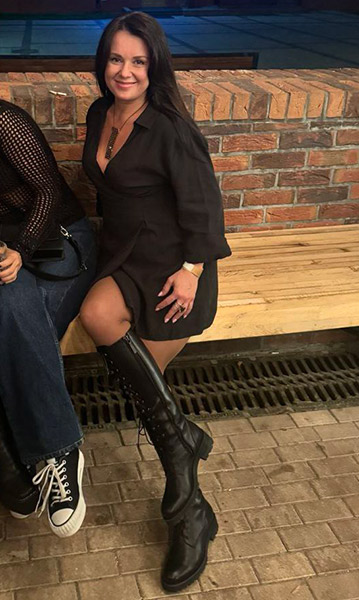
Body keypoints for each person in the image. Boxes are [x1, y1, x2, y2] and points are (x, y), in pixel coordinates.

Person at [79, 10, 231, 592]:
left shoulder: (170, 127)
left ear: (154, 66)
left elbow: (206, 205)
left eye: (138, 61)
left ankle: (189, 510)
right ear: (104, 62)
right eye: (117, 59)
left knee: (150, 392)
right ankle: (187, 467)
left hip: (174, 267)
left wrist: (192, 271)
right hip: (123, 255)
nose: (126, 71)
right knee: (98, 317)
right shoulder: (99, 114)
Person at [0, 99, 97, 537]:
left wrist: (20, 249)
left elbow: (48, 192)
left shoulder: (4, 121)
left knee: (11, 313)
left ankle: (59, 451)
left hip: (59, 240)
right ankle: (21, 471)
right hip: (7, 254)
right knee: (9, 307)